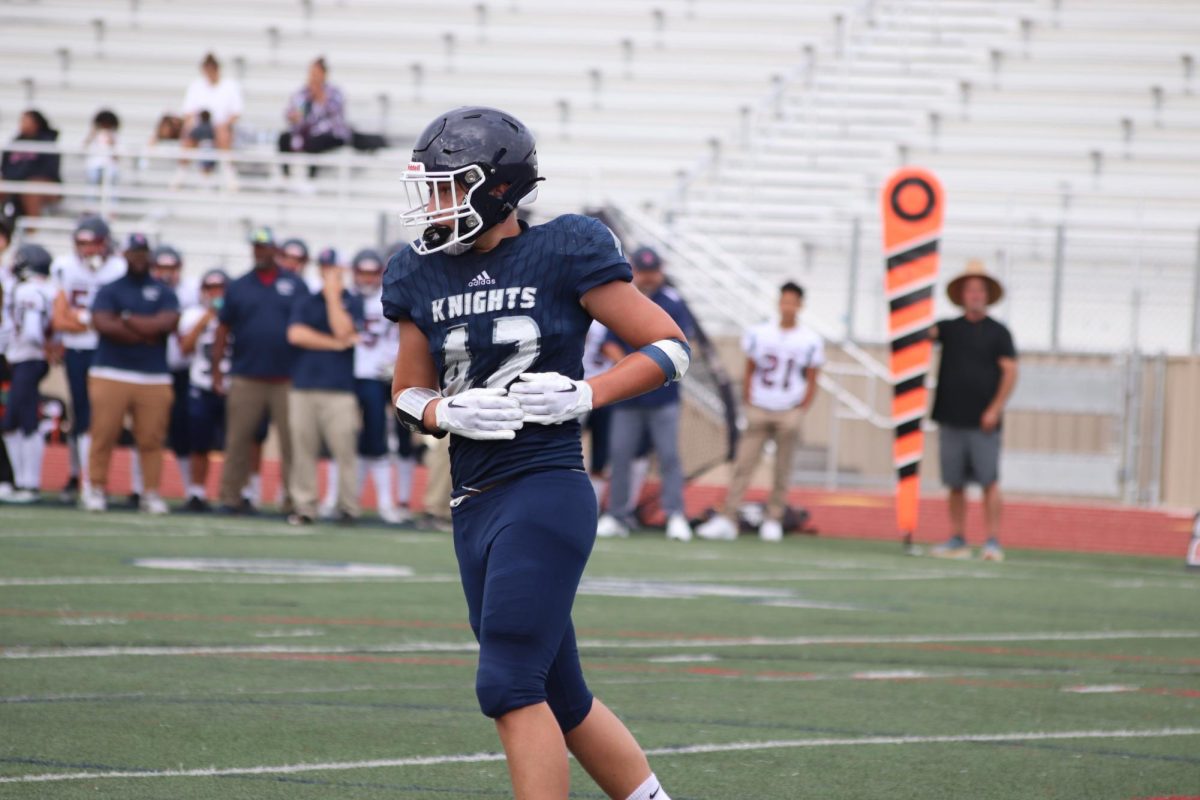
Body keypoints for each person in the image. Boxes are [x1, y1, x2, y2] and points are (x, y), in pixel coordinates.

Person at [385, 106, 684, 800]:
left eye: (448, 185)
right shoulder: (417, 272)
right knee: (561, 692)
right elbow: (404, 389)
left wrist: (588, 393)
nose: (434, 202)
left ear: (496, 189)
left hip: (544, 486)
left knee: (508, 680)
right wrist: (438, 408)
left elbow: (669, 346)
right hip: (472, 501)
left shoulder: (565, 247)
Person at [697, 281, 825, 542]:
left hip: (788, 408)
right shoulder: (759, 333)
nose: (787, 306)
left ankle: (773, 518)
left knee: (782, 467)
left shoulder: (809, 340)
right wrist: (749, 400)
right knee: (743, 465)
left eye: (792, 301)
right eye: (784, 300)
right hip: (760, 407)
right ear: (778, 302)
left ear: (800, 305)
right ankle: (728, 517)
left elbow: (812, 378)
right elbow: (750, 368)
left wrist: (801, 408)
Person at [595, 246, 696, 542]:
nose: (649, 278)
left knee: (668, 456)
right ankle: (617, 515)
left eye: (653, 272)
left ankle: (675, 513)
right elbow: (608, 342)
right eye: (644, 272)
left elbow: (682, 344)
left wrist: (646, 368)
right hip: (628, 395)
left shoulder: (672, 302)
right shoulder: (624, 297)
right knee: (620, 455)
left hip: (662, 395)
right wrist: (628, 369)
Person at [212, 227, 308, 514]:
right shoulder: (239, 286)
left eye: (265, 247)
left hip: (288, 377)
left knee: (293, 444)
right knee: (237, 440)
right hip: (246, 375)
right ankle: (231, 496)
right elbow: (223, 329)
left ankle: (292, 499)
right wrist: (217, 370)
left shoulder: (295, 284)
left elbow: (306, 327)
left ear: (276, 250)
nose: (260, 251)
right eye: (256, 247)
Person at [83, 234, 180, 513]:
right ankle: (96, 487)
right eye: (134, 252)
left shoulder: (163, 291)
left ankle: (149, 491)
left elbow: (166, 323)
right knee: (104, 433)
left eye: (143, 253)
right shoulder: (110, 289)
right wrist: (143, 331)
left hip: (153, 375)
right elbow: (103, 324)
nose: (139, 258)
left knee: (151, 438)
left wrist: (125, 319)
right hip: (111, 372)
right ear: (124, 255)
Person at [929, 260, 1018, 561]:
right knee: (954, 483)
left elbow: (1010, 372)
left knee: (989, 481)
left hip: (984, 423)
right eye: (970, 289)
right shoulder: (949, 329)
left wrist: (994, 409)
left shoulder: (999, 333)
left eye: (980, 289)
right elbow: (921, 333)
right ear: (962, 295)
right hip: (950, 417)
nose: (975, 295)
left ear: (987, 295)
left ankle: (993, 540)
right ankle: (957, 537)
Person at [50, 216, 126, 503]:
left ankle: (93, 480)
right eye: (82, 243)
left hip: (110, 350)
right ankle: (83, 479)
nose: (88, 249)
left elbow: (120, 317)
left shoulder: (119, 268)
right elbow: (59, 319)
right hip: (79, 350)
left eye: (93, 242)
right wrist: (94, 321)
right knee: (81, 414)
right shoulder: (64, 267)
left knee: (104, 419)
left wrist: (82, 319)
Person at [285, 254, 363, 525]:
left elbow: (345, 331)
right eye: (326, 268)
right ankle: (305, 506)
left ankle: (347, 507)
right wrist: (333, 344)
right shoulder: (305, 300)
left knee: (345, 450)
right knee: (303, 450)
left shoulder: (353, 301)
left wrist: (332, 298)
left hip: (340, 390)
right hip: (303, 387)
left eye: (334, 268)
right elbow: (296, 335)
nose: (330, 273)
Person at [344, 248, 408, 523]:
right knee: (348, 440)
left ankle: (385, 502)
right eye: (363, 272)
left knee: (379, 437)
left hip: (382, 375)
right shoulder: (346, 300)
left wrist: (393, 361)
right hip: (350, 375)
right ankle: (346, 499)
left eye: (373, 273)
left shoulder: (391, 297)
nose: (368, 278)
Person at [1, 244, 57, 503]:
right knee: (18, 421)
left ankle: (27, 483)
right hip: (31, 359)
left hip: (28, 358)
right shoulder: (45, 288)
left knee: (19, 421)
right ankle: (20, 481)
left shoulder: (28, 290)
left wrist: (35, 347)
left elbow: (33, 331)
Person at [177, 269, 230, 511]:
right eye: (211, 289)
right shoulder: (193, 314)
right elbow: (184, 348)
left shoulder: (238, 314)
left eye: (221, 289)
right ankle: (196, 492)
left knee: (238, 443)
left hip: (233, 385)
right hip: (201, 383)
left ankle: (241, 493)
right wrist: (207, 318)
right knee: (199, 442)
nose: (216, 294)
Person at [151, 245, 196, 501]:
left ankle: (191, 490)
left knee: (182, 430)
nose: (167, 274)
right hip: (150, 369)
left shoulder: (190, 292)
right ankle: (141, 487)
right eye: (162, 268)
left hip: (182, 370)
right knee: (148, 431)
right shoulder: (145, 290)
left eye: (172, 269)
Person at [175, 53, 243, 190]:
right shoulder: (196, 86)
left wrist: (225, 124)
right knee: (188, 133)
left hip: (221, 127)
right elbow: (188, 113)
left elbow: (236, 113)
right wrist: (192, 123)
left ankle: (229, 173)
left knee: (222, 132)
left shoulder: (229, 86)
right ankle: (181, 174)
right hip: (201, 126)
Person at [278, 57, 350, 183]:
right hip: (306, 133)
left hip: (330, 135)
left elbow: (337, 115)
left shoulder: (334, 92)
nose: (313, 77)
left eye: (316, 73)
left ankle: (311, 179)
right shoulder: (302, 93)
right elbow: (290, 112)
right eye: (311, 73)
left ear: (324, 74)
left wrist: (321, 98)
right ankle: (286, 177)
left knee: (315, 141)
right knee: (284, 138)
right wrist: (293, 116)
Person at [0, 110, 61, 220]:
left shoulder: (47, 143)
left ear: (36, 123)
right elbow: (5, 167)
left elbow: (48, 171)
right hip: (15, 181)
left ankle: (32, 230)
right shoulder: (14, 143)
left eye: (25, 120)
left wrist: (23, 178)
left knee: (32, 189)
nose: (21, 123)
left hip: (38, 183)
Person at [84, 109, 120, 188]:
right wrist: (92, 135)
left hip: (109, 165)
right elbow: (84, 148)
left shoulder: (115, 136)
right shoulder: (93, 135)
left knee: (111, 177)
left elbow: (117, 156)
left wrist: (112, 142)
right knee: (92, 177)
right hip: (94, 165)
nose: (105, 125)